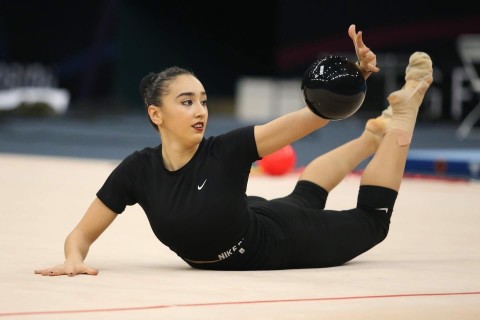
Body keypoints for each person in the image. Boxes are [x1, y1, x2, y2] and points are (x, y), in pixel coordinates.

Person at [34, 24, 433, 276]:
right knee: (303, 196)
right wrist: (73, 258)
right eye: (186, 102)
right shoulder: (137, 170)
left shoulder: (227, 150)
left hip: (275, 242)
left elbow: (311, 117)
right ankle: (371, 137)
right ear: (156, 114)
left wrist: (354, 78)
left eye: (204, 101)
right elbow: (81, 235)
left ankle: (401, 118)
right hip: (250, 216)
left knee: (372, 222)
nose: (200, 111)